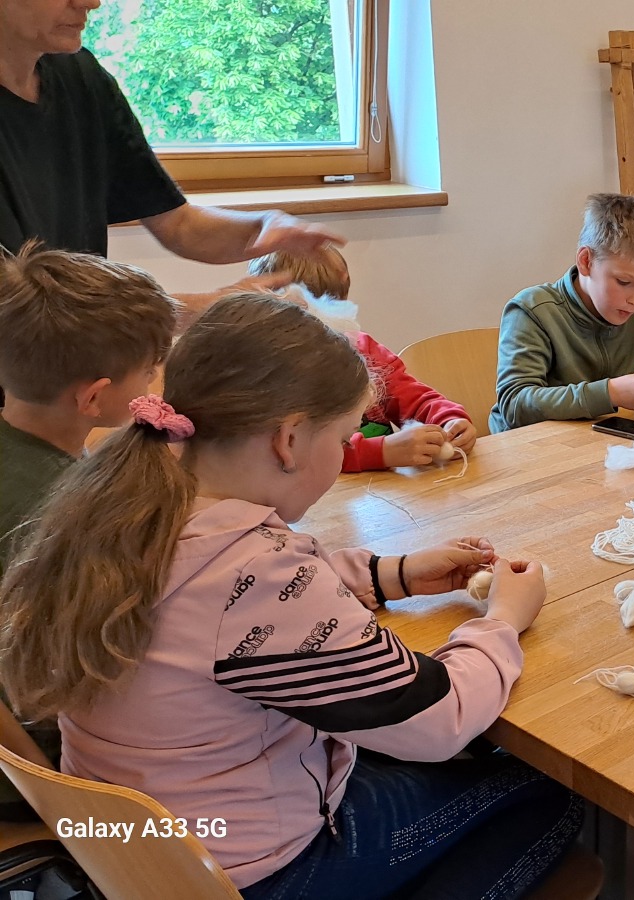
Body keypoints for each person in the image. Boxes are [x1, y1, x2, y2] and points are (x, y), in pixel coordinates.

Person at [0, 294, 580, 897]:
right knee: (548, 796)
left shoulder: (128, 498)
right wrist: (504, 619)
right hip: (254, 870)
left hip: (145, 852)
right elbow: (440, 719)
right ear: (290, 440)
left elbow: (228, 607)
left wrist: (396, 574)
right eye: (343, 438)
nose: (343, 454)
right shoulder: (261, 575)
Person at [0, 0, 341, 321]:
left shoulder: (80, 78)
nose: (91, 2)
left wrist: (262, 227)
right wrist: (197, 309)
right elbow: (26, 317)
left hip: (78, 357)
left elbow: (179, 224)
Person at [0, 241, 177, 820]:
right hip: (47, 768)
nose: (155, 381)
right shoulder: (65, 511)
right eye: (149, 371)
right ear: (95, 397)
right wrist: (57, 799)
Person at [490, 193, 634, 431]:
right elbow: (514, 405)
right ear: (586, 261)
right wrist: (611, 393)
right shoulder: (531, 312)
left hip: (597, 442)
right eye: (624, 282)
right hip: (530, 448)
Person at [249, 245, 478, 471]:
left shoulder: (364, 351)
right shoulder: (269, 374)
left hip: (379, 492)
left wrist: (449, 420)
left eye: (329, 317)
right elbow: (302, 454)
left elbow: (417, 400)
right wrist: (381, 452)